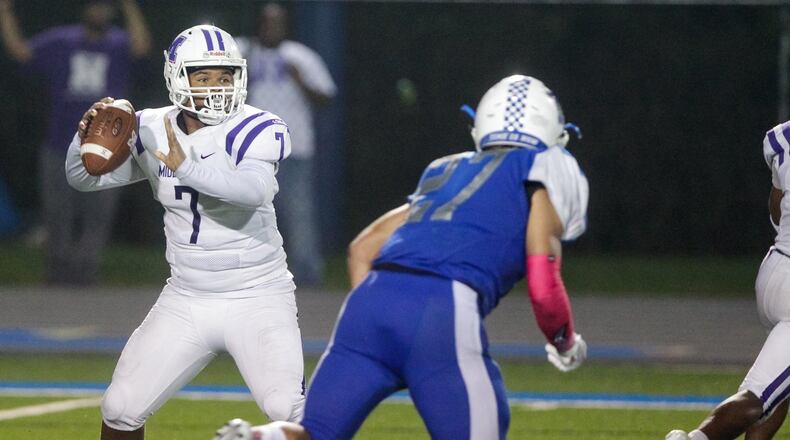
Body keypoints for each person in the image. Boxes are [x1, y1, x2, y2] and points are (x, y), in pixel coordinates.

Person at [213, 75, 590, 440]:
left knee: (316, 433)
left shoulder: (446, 170)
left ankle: (255, 437)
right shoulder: (539, 171)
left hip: (369, 304)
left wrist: (385, 326)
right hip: (442, 308)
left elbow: (362, 249)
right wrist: (564, 342)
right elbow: (542, 285)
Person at [66, 25, 305, 440]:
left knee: (289, 410)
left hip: (258, 293)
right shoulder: (150, 126)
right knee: (120, 408)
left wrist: (187, 167)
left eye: (224, 76)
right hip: (187, 296)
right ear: (177, 76)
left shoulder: (257, 125)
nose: (216, 87)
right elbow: (84, 179)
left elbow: (255, 190)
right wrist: (83, 140)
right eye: (203, 76)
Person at [0, 0, 151, 285]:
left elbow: (142, 48)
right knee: (58, 212)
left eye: (105, 7)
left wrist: (129, 5)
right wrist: (5, 12)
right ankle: (57, 272)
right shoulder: (63, 41)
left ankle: (86, 271)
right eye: (95, 6)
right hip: (60, 142)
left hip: (109, 146)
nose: (99, 11)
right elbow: (21, 52)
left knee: (99, 214)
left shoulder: (119, 44)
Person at [666, 123, 790, 440]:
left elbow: (777, 210)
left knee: (778, 390)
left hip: (775, 270)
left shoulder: (783, 136)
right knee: (758, 399)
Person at [235, 2, 337, 287]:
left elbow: (327, 97)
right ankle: (249, 272)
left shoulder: (300, 56)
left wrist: (300, 80)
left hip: (294, 146)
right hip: (250, 149)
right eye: (267, 21)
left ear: (286, 26)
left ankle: (308, 274)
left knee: (299, 214)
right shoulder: (243, 51)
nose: (271, 27)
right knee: (249, 212)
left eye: (277, 22)